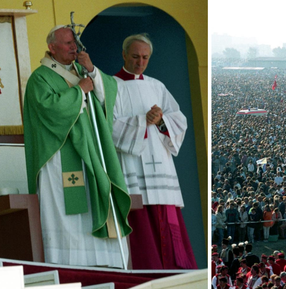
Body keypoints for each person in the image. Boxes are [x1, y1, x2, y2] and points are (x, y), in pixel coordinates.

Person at [23, 25, 132, 267]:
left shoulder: (82, 71)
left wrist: (92, 71)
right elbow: (49, 110)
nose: (74, 48)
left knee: (95, 201)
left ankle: (104, 263)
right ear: (52, 48)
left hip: (90, 153)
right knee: (68, 212)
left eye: (75, 43)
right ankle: (68, 265)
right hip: (60, 156)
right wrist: (78, 92)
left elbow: (108, 97)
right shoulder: (40, 77)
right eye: (67, 44)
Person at [111, 33, 196, 269]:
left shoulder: (156, 86)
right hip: (132, 163)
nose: (140, 62)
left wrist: (160, 121)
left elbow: (178, 120)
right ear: (124, 55)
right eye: (136, 56)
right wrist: (142, 121)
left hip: (160, 162)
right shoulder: (111, 86)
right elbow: (109, 126)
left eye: (145, 58)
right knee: (140, 225)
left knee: (166, 220)